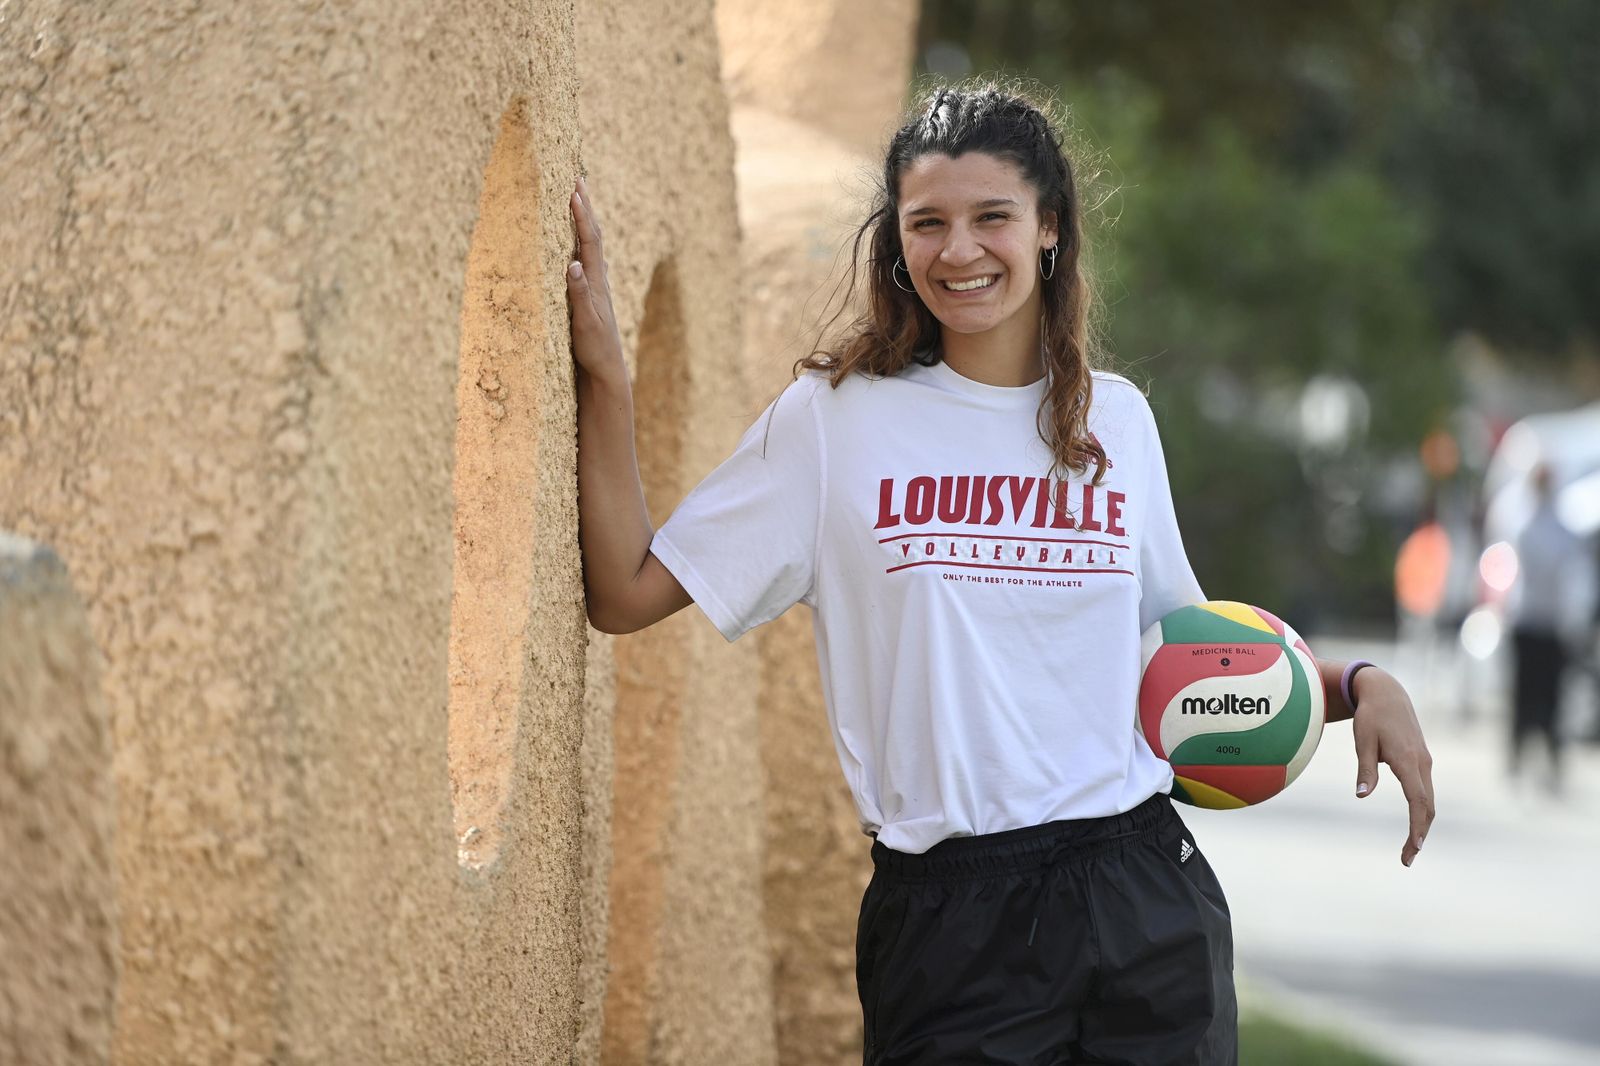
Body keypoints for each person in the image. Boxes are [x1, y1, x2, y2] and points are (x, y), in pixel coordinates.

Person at [568, 82, 1436, 1066]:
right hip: (949, 922)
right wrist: (605, 375)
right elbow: (626, 588)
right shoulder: (833, 424)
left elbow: (1196, 671)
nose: (960, 250)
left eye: (992, 217)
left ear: (1049, 228)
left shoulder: (1117, 424)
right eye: (926, 223)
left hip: (1141, 892)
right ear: (896, 242)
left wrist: (1358, 685)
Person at [1505, 463, 1597, 793]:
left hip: (1550, 622)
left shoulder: (1559, 527)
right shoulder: (1525, 524)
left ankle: (1551, 762)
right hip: (1529, 619)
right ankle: (1517, 758)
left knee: (1551, 698)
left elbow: (1573, 572)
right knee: (1524, 695)